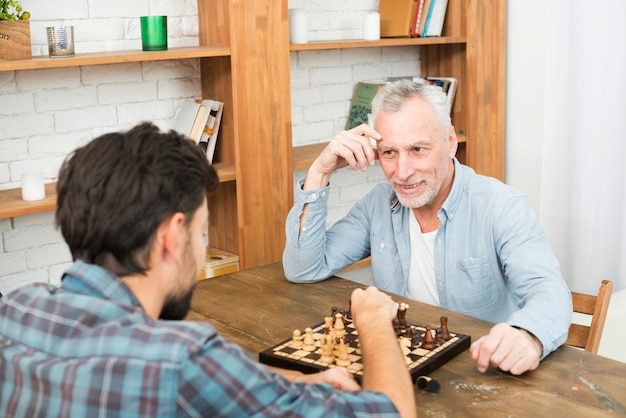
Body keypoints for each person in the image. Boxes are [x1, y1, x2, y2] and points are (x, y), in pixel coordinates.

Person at [0, 122, 416, 417]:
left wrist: (289, 385)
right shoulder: (181, 360)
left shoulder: (18, 310)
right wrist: (375, 321)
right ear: (171, 238)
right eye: (202, 233)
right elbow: (390, 412)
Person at [283, 79, 573, 376]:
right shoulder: (377, 204)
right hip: (401, 368)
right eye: (389, 153)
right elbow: (303, 267)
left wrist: (528, 336)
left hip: (478, 373)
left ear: (449, 142)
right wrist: (319, 172)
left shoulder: (501, 206)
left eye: (418, 149)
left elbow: (548, 291)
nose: (403, 173)